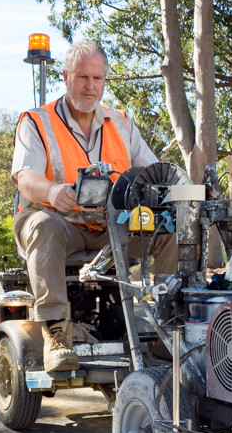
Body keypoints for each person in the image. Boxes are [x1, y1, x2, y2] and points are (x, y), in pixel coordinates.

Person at [11, 40, 177, 374]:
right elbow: (25, 178)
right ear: (65, 76)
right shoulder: (37, 121)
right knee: (43, 224)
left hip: (111, 227)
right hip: (58, 222)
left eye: (97, 78)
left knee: (169, 231)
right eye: (82, 77)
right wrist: (53, 190)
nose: (90, 86)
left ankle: (167, 326)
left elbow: (155, 174)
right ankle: (57, 334)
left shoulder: (122, 122)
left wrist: (178, 191)